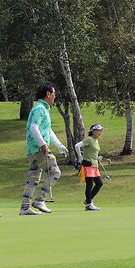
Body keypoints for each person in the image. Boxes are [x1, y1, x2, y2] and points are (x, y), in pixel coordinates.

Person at [19, 82, 69, 215]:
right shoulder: (40, 109)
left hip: (33, 150)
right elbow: (34, 127)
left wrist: (59, 145)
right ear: (48, 94)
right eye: (53, 93)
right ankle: (40, 200)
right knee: (55, 173)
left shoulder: (43, 109)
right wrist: (43, 144)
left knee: (33, 179)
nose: (55, 95)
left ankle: (24, 208)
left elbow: (47, 130)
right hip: (38, 148)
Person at [74, 124, 109, 211]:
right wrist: (80, 158)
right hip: (88, 164)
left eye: (100, 130)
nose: (100, 132)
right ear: (93, 131)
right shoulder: (89, 139)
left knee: (99, 183)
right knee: (89, 185)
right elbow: (77, 146)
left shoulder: (96, 141)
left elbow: (93, 153)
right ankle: (89, 204)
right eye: (98, 130)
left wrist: (98, 158)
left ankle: (88, 200)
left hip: (94, 165)